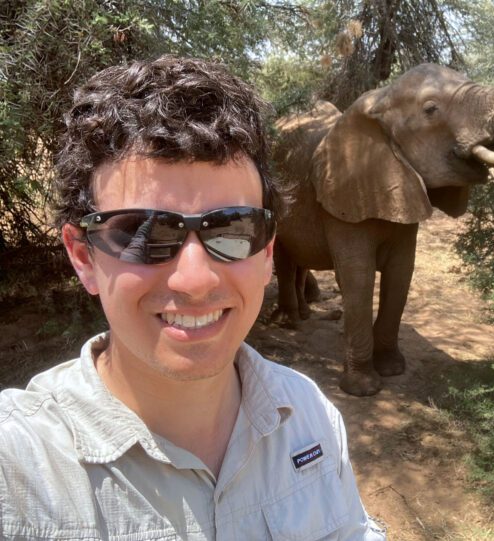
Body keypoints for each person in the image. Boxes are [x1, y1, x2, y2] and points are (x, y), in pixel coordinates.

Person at [0, 56, 385, 540]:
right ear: (82, 257)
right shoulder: (17, 472)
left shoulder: (311, 416)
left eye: (233, 229)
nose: (195, 280)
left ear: (267, 252)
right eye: (143, 233)